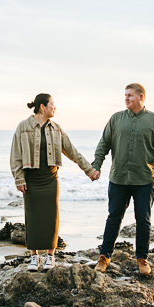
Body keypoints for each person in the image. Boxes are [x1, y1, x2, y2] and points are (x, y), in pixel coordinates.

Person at [10, 94, 100, 271]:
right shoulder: (23, 126)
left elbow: (71, 151)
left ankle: (50, 256)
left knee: (52, 216)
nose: (55, 108)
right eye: (52, 104)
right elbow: (15, 155)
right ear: (42, 107)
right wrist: (19, 178)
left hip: (50, 178)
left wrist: (89, 169)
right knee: (32, 216)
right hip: (31, 179)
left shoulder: (56, 128)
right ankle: (34, 257)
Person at [91, 83, 154, 277]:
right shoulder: (116, 119)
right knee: (113, 217)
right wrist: (96, 165)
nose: (126, 99)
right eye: (125, 95)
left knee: (143, 220)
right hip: (118, 179)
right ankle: (104, 257)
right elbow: (104, 144)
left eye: (130, 96)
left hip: (145, 180)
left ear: (141, 97)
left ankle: (142, 259)